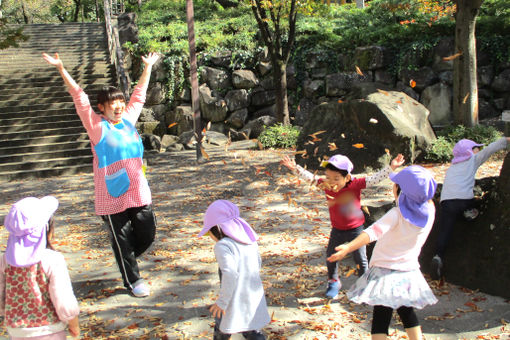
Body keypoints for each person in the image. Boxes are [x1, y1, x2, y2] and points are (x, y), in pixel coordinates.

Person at [42, 52, 160, 297]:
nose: (118, 106)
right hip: (112, 192)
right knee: (122, 236)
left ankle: (125, 257)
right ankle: (133, 280)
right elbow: (79, 98)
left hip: (138, 189)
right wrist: (62, 68)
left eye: (119, 101)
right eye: (112, 103)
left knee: (147, 231)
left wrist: (147, 67)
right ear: (102, 108)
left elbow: (139, 95)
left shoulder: (128, 120)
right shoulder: (96, 127)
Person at [328, 165, 438, 340]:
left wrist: (348, 247)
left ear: (400, 191)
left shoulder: (396, 214)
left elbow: (372, 232)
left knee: (380, 318)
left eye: (395, 184)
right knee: (407, 312)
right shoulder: (430, 211)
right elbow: (423, 197)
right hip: (408, 272)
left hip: (385, 273)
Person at [281, 153, 404, 299]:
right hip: (337, 229)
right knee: (331, 256)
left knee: (361, 259)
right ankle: (333, 282)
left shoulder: (355, 184)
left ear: (347, 177)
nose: (331, 182)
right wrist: (295, 168)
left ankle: (364, 285)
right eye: (328, 177)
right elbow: (311, 178)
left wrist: (391, 167)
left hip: (356, 229)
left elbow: (374, 179)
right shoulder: (326, 185)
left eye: (336, 179)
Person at [0, 196, 80, 339]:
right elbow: (63, 297)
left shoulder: (5, 261)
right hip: (49, 329)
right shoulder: (52, 259)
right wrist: (73, 323)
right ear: (46, 228)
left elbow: (1, 293)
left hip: (17, 330)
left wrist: (5, 312)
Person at [430, 136, 510, 280]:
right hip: (464, 201)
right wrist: (505, 140)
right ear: (469, 151)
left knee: (445, 229)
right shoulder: (472, 160)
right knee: (476, 201)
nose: (478, 149)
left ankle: (438, 256)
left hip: (446, 202)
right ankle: (469, 213)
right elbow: (490, 150)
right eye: (475, 148)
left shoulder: (452, 168)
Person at [198, 200, 270, 340]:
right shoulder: (250, 240)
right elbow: (258, 263)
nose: (210, 237)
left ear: (217, 229)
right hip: (253, 296)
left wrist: (222, 302)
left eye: (209, 232)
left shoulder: (223, 246)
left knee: (222, 330)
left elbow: (230, 274)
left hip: (233, 300)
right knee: (251, 330)